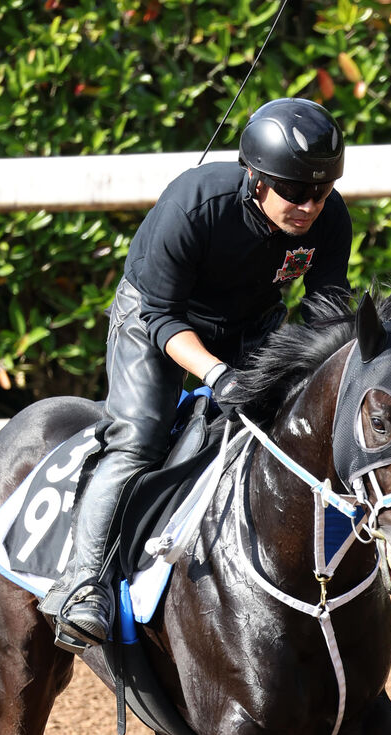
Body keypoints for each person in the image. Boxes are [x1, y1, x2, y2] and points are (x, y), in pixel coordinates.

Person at [44, 97, 353, 650]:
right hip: (157, 321)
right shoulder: (194, 205)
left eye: (322, 191)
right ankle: (81, 585)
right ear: (256, 178)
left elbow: (325, 311)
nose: (310, 205)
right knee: (139, 440)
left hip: (252, 326)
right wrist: (216, 374)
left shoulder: (328, 218)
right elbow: (160, 315)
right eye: (295, 192)